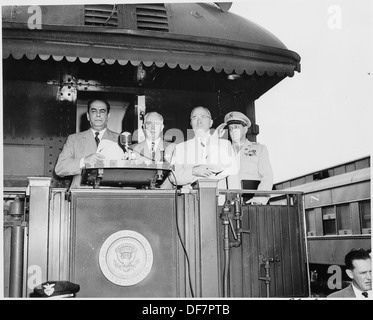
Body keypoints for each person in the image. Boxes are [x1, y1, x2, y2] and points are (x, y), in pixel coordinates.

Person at [55, 98, 119, 188]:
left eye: (102, 111)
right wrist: (84, 161)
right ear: (88, 116)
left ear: (108, 115)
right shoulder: (74, 139)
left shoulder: (120, 139)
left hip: (110, 196)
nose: (98, 114)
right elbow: (60, 169)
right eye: (94, 111)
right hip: (81, 195)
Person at [171, 106, 238, 191]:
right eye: (195, 118)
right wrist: (193, 171)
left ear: (211, 122)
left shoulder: (225, 145)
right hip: (191, 200)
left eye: (203, 117)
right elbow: (173, 177)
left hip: (219, 200)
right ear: (191, 123)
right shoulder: (180, 148)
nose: (199, 121)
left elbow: (233, 176)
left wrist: (234, 201)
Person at [223, 111, 273, 205]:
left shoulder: (259, 149)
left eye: (237, 127)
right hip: (228, 203)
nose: (233, 131)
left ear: (245, 129)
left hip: (251, 202)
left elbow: (267, 177)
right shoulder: (223, 151)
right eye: (231, 128)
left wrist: (258, 200)